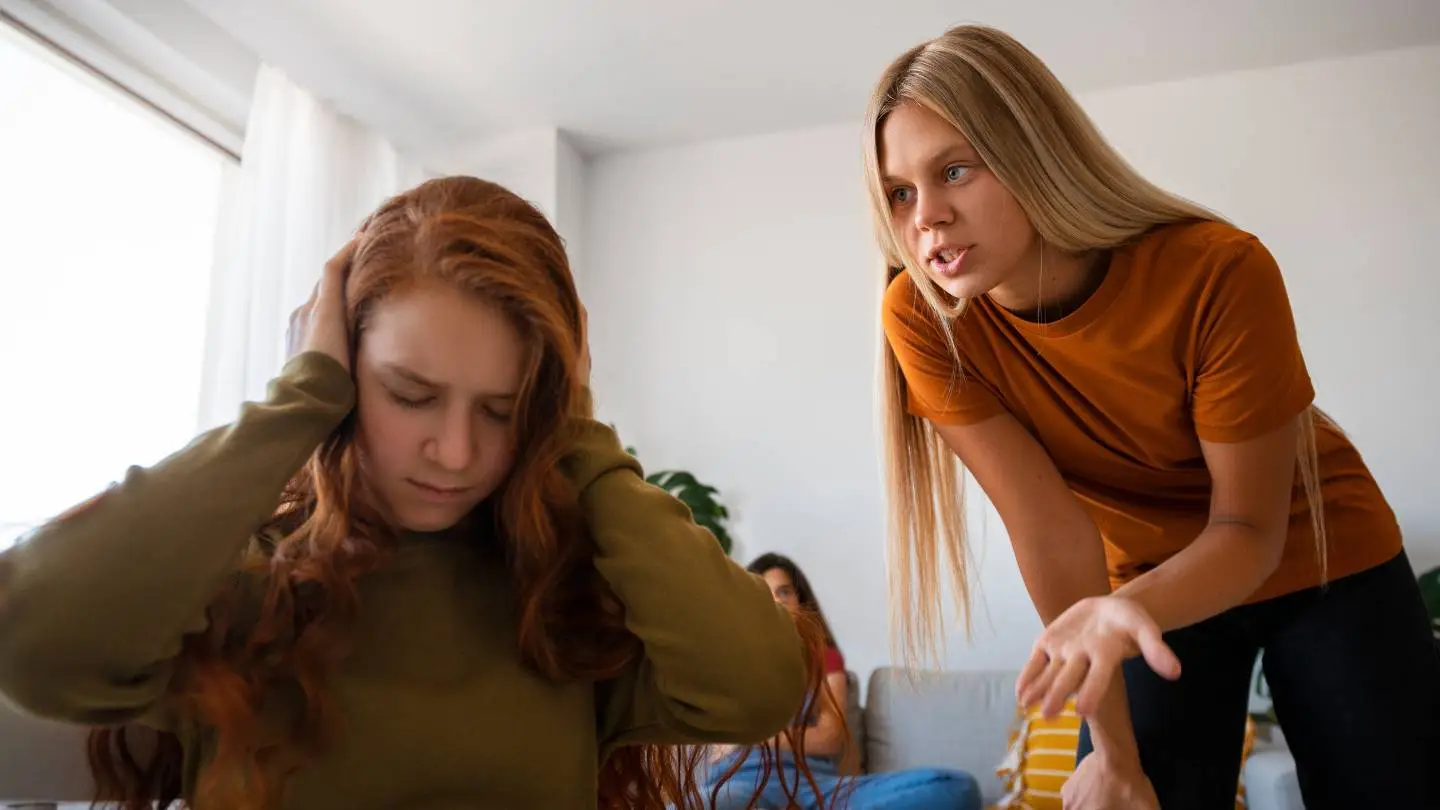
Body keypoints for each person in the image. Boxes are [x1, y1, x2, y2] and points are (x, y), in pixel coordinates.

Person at [0, 176, 831, 810]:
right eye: (409, 394)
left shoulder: (568, 604)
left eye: (503, 411)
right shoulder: (239, 585)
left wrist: (575, 433)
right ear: (341, 369)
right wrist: (297, 404)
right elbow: (35, 642)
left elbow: (757, 685)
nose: (458, 452)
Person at [866, 24, 1440, 810]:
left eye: (955, 170)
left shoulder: (1217, 269)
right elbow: (1052, 533)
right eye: (900, 192)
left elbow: (1247, 531)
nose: (925, 217)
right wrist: (1113, 756)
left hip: (1322, 557)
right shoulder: (922, 318)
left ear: (1034, 150)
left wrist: (1119, 611)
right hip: (1145, 584)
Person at [704, 552, 982, 810]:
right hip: (745, 783)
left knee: (956, 787)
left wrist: (753, 736)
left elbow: (829, 738)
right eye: (765, 594)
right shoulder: (733, 661)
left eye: (784, 592)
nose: (776, 602)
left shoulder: (825, 658)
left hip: (817, 789)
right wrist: (788, 738)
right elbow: (721, 746)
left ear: (801, 602)